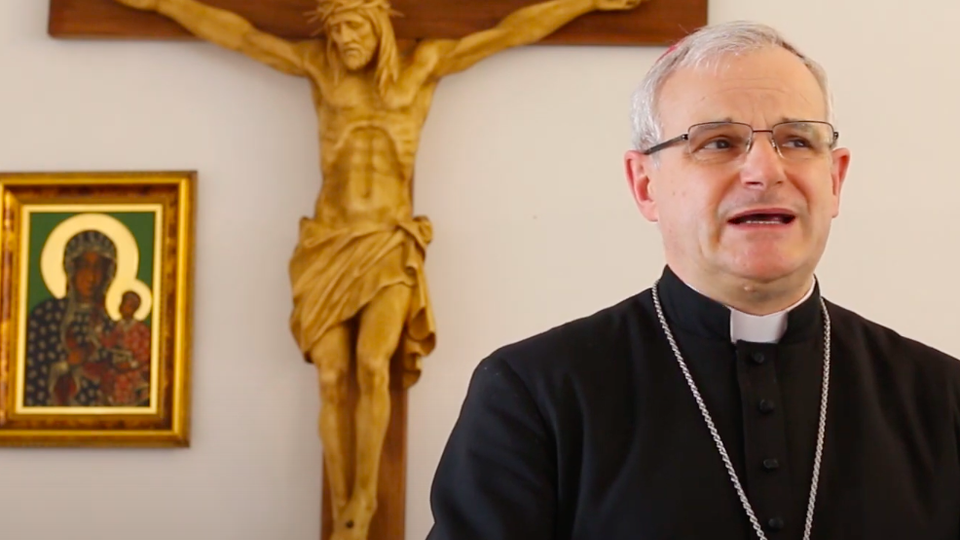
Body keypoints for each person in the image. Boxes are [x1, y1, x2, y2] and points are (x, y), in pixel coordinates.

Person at [109, 0, 643, 538]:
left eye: (354, 27)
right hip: (329, 241)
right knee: (330, 374)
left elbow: (508, 31)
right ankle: (343, 496)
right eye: (336, 29)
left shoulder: (421, 70)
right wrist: (158, 3)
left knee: (372, 365)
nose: (345, 40)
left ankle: (364, 497)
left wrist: (587, 2)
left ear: (379, 26)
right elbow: (242, 35)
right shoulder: (321, 73)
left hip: (389, 243)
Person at [426, 21, 960, 540]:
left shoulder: (942, 396)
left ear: (835, 179)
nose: (765, 171)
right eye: (719, 142)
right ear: (645, 185)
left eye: (797, 140)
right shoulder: (533, 395)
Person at [25, 230, 119, 407]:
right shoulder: (46, 315)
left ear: (108, 274)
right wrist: (65, 365)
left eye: (98, 268)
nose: (91, 277)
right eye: (84, 266)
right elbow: (30, 369)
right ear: (71, 269)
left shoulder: (111, 325)